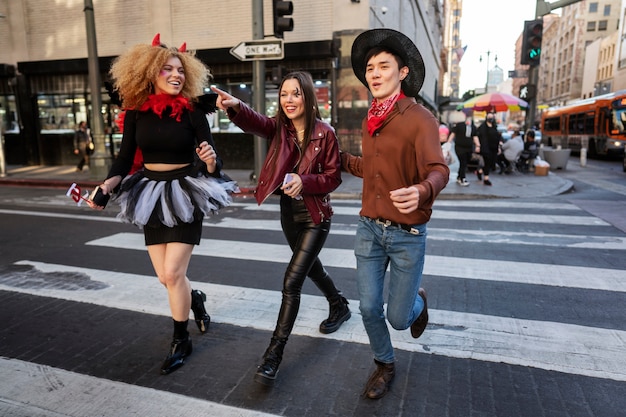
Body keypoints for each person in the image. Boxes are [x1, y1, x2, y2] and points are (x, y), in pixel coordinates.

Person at [88, 34, 237, 375]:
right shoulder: (137, 113)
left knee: (173, 273)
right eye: (167, 69)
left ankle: (180, 338)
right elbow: (124, 160)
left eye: (180, 69)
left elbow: (212, 163)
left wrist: (211, 161)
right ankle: (194, 299)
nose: (176, 75)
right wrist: (107, 186)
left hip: (186, 192)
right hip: (150, 194)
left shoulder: (195, 111)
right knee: (165, 278)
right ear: (149, 74)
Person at [211, 71, 350, 387]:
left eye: (296, 94)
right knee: (311, 269)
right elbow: (256, 121)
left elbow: (333, 177)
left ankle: (273, 354)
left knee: (292, 282)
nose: (288, 100)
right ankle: (339, 304)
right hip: (289, 213)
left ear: (308, 98)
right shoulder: (280, 130)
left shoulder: (325, 133)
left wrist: (305, 181)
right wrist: (235, 105)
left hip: (316, 216)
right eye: (284, 94)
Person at [340, 29, 449, 399]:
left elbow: (439, 169)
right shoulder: (370, 121)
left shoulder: (421, 119)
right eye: (370, 67)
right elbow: (371, 168)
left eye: (383, 66)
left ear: (402, 72)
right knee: (369, 307)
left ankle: (417, 301)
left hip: (407, 235)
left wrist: (421, 190)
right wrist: (338, 159)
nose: (374, 73)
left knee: (398, 318)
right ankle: (384, 364)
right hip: (369, 228)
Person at [447, 116, 480, 186]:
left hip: (469, 148)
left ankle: (459, 176)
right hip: (460, 147)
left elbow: (475, 136)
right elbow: (453, 134)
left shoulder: (473, 127)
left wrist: (478, 145)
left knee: (465, 162)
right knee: (463, 162)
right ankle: (462, 178)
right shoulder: (459, 125)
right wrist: (448, 143)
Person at [476, 112, 502, 185]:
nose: (490, 118)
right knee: (487, 162)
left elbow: (497, 137)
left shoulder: (494, 127)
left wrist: (498, 147)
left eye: (492, 117)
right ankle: (486, 179)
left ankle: (480, 171)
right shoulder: (482, 127)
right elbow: (479, 137)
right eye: (489, 117)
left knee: (491, 163)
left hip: (493, 148)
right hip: (485, 148)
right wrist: (479, 146)